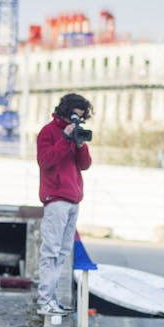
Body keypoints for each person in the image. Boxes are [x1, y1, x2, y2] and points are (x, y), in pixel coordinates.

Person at [36, 93, 94, 315]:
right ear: (64, 111)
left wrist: (79, 144)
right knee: (50, 251)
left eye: (81, 118)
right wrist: (64, 138)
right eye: (74, 117)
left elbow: (85, 164)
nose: (77, 121)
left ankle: (52, 299)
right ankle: (44, 302)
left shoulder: (75, 133)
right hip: (56, 198)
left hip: (73, 199)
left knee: (62, 253)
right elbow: (45, 161)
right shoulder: (48, 132)